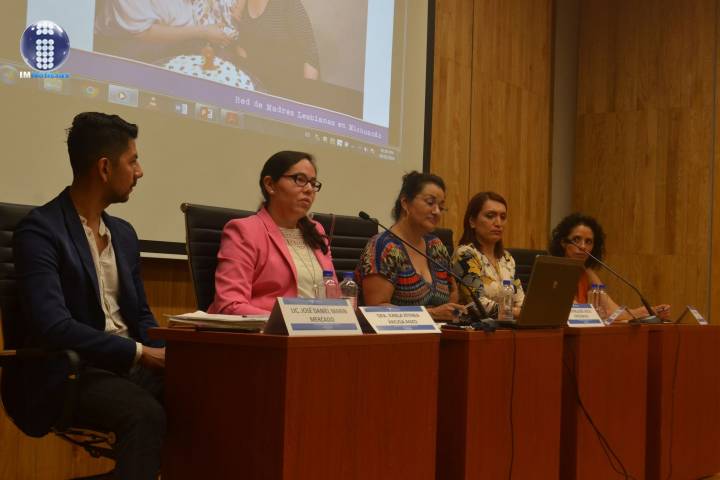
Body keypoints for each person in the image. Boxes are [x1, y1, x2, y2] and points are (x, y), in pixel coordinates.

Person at [10, 112, 165, 479]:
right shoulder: (40, 231)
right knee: (145, 415)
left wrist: (170, 353)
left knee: (209, 395)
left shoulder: (123, 234)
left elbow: (141, 315)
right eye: (133, 161)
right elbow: (54, 326)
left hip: (127, 367)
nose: (140, 171)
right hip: (71, 372)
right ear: (105, 168)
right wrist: (141, 353)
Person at [208, 151, 334, 315]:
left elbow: (333, 295)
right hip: (266, 329)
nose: (309, 189)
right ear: (270, 185)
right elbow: (230, 305)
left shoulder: (316, 230)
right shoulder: (245, 231)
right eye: (300, 180)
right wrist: (289, 321)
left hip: (319, 327)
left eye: (313, 183)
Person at [356, 171, 466, 322]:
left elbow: (452, 293)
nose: (437, 212)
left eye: (441, 207)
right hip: (395, 335)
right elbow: (376, 310)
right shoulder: (384, 247)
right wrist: (432, 314)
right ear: (405, 203)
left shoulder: (436, 246)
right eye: (430, 203)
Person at [549, 212, 671, 321]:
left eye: (588, 242)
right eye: (576, 239)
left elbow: (613, 312)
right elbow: (574, 313)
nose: (583, 247)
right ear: (563, 242)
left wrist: (648, 312)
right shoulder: (553, 272)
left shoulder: (587, 273)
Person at [452, 192, 524, 318]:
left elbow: (520, 300)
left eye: (503, 217)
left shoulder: (507, 258)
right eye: (490, 216)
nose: (498, 223)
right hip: (475, 327)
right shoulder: (465, 254)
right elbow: (478, 305)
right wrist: (518, 313)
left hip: (507, 325)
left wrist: (527, 311)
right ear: (472, 222)